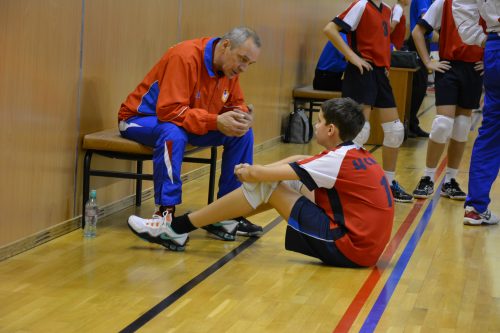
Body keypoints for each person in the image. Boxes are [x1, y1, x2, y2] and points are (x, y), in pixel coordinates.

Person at [127, 98, 395, 267]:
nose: (315, 125)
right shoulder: (350, 154)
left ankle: (177, 227)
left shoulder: (335, 161)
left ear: (331, 130)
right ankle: (219, 221)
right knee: (285, 183)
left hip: (349, 248)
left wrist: (252, 172)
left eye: (319, 121)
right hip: (365, 248)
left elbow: (264, 178)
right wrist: (259, 170)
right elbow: (301, 159)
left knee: (272, 186)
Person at [118, 27, 264, 240]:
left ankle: (227, 214)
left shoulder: (229, 69)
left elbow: (235, 103)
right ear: (225, 46)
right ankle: (165, 216)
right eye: (242, 59)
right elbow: (169, 111)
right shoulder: (184, 56)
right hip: (139, 118)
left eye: (249, 64)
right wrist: (215, 121)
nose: (243, 68)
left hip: (184, 121)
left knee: (241, 133)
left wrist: (242, 117)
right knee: (173, 133)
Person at [323, 0, 414, 202]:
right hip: (362, 72)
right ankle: (348, 183)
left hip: (380, 74)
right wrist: (352, 57)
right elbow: (330, 29)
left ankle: (388, 184)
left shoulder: (388, 10)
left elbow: (387, 41)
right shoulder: (362, 4)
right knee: (359, 132)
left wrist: (386, 65)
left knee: (395, 131)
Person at [411, 0, 485, 201]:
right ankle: (427, 177)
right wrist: (428, 61)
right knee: (443, 124)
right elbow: (417, 32)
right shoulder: (444, 3)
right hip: (449, 67)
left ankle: (450, 181)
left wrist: (489, 59)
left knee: (462, 126)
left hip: (473, 70)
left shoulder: (486, 5)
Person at [453, 0, 500, 225]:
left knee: (491, 131)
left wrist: (487, 40)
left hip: (496, 45)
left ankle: (475, 207)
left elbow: (464, 17)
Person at [406, 0, 433, 138]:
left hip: (424, 40)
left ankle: (412, 123)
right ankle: (408, 124)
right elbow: (426, 17)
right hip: (417, 41)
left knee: (420, 86)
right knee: (418, 85)